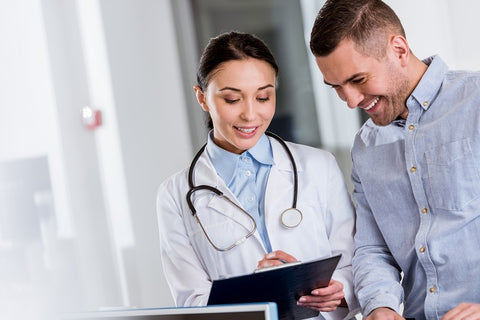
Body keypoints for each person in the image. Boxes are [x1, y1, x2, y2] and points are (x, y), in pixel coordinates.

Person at [156, 31, 359, 320]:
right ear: (202, 98)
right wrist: (257, 290)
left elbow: (355, 263)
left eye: (263, 97)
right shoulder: (174, 196)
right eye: (232, 99)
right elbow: (191, 302)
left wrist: (339, 290)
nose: (251, 115)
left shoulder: (318, 166)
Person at [309, 1, 480, 320]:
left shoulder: (476, 102)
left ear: (399, 49)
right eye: (337, 88)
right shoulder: (366, 145)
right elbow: (373, 248)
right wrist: (380, 306)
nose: (351, 101)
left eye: (358, 79)